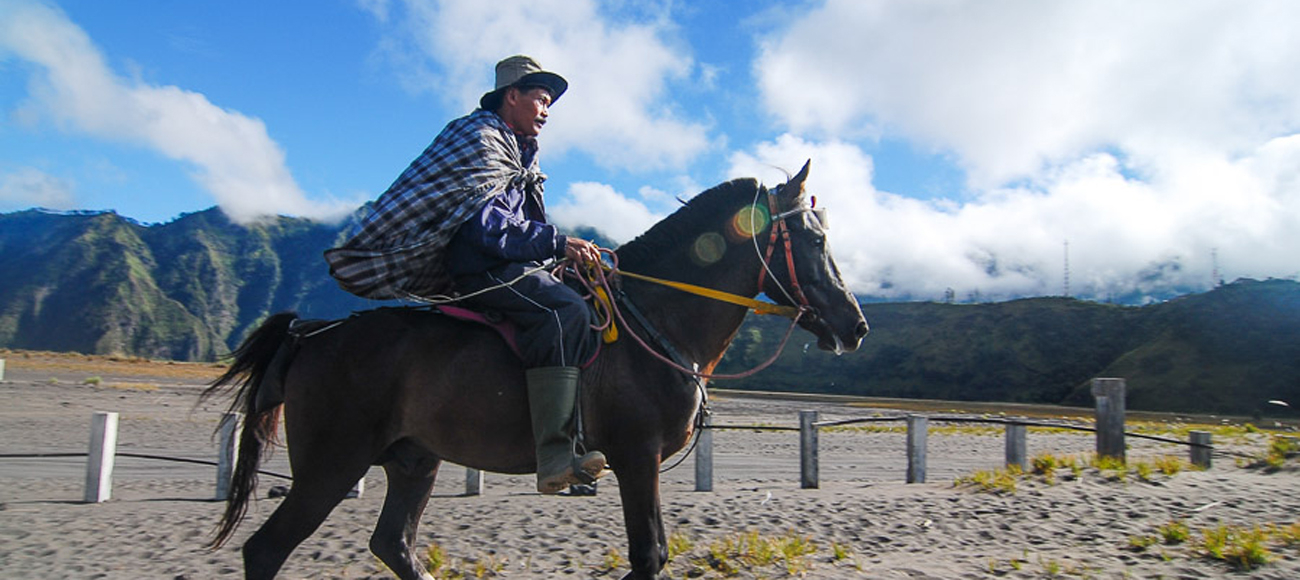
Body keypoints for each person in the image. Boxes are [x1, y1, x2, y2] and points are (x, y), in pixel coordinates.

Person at [324, 55, 605, 494]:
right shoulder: (479, 140)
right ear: (512, 96)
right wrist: (556, 243)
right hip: (483, 269)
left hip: (510, 264)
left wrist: (558, 258)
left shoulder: (518, 153)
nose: (547, 111)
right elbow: (486, 228)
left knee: (583, 296)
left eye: (550, 103)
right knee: (564, 312)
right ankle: (552, 453)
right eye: (541, 100)